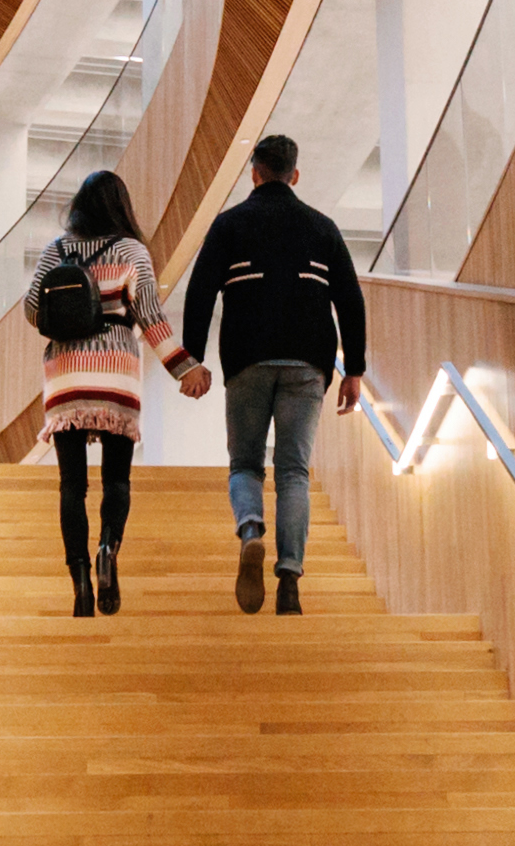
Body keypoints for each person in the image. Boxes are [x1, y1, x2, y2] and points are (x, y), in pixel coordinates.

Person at [170, 134, 370, 614]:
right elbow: (350, 300)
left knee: (244, 465)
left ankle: (252, 529)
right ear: (294, 175)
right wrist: (354, 369)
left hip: (247, 360)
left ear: (254, 172)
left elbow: (199, 293)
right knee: (294, 471)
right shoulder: (322, 228)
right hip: (308, 364)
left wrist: (193, 360)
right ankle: (289, 584)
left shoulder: (229, 225)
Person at [30, 165, 165, 617]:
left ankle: (81, 582)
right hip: (116, 369)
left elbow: (33, 309)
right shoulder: (132, 251)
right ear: (121, 206)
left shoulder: (57, 250)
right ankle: (109, 547)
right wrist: (184, 367)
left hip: (66, 373)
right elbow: (150, 315)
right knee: (117, 479)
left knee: (72, 484)